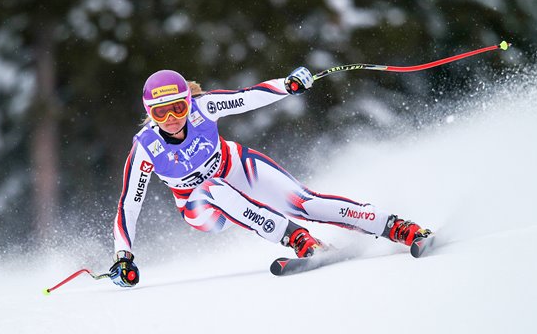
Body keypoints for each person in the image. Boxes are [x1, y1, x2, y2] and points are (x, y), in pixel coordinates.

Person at [109, 67, 431, 287]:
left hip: (234, 165)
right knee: (211, 188)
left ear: (188, 102)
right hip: (199, 206)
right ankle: (298, 239)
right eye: (160, 113)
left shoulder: (203, 107)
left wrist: (287, 86)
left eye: (178, 108)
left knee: (305, 202)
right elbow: (129, 207)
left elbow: (246, 97)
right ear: (149, 113)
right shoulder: (146, 149)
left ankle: (396, 226)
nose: (172, 120)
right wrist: (123, 256)